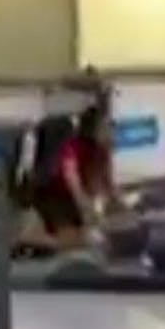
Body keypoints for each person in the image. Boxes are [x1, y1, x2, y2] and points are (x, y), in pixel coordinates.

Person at [19, 106, 118, 253]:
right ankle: (26, 239)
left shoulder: (104, 149)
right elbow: (72, 179)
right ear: (92, 129)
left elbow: (107, 181)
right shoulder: (72, 146)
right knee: (71, 242)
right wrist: (86, 206)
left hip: (71, 196)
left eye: (111, 126)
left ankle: (48, 235)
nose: (111, 131)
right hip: (52, 192)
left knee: (85, 237)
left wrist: (118, 204)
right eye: (107, 126)